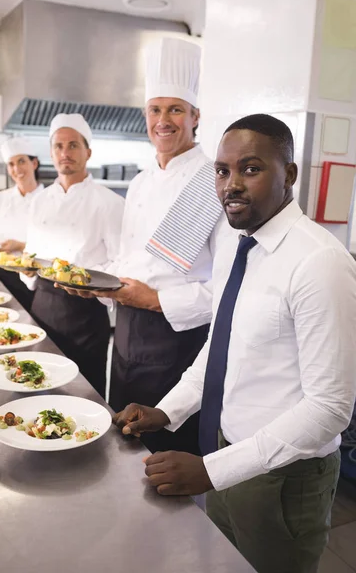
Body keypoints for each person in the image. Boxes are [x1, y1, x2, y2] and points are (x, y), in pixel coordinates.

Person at [112, 114, 356, 573]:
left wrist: (211, 471)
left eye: (250, 168)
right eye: (222, 171)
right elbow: (222, 348)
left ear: (289, 175)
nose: (231, 185)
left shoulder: (320, 263)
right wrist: (169, 410)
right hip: (228, 452)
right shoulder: (237, 246)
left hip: (283, 476)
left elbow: (330, 408)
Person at [61, 38, 223, 455]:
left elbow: (225, 292)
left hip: (177, 342)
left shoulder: (214, 181)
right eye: (155, 109)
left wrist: (154, 300)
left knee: (167, 456)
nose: (163, 120)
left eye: (175, 109)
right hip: (128, 336)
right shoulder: (140, 181)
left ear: (195, 116)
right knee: (125, 444)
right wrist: (94, 283)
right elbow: (131, 260)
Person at [21, 113, 125, 398]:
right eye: (58, 146)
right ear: (51, 153)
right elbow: (30, 253)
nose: (65, 153)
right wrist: (26, 269)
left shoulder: (110, 203)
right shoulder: (39, 201)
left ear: (87, 152)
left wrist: (89, 282)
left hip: (85, 315)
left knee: (83, 396)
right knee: (36, 387)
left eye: (73, 145)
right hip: (41, 307)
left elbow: (120, 264)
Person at [0, 136, 44, 311]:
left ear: (34, 163)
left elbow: (58, 247)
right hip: (0, 277)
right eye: (11, 164)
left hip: (38, 280)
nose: (17, 168)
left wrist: (20, 245)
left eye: (21, 161)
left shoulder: (49, 201)